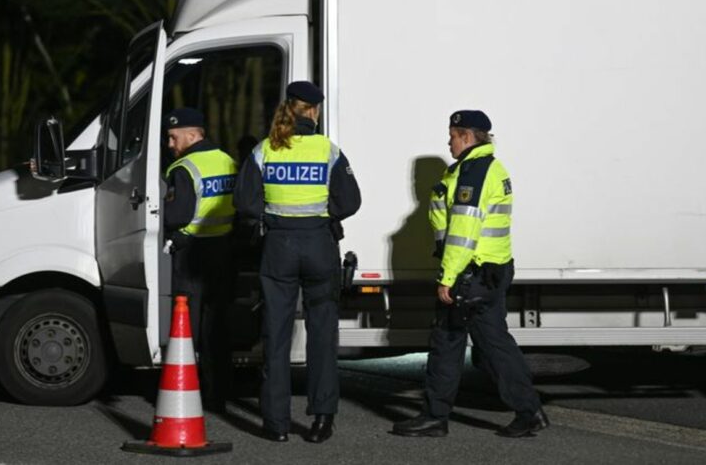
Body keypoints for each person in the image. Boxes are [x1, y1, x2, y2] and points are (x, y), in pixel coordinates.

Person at [391, 110, 548, 438]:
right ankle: (526, 410)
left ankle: (441, 415)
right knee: (482, 343)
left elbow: (463, 231)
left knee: (460, 342)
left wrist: (448, 277)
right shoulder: (480, 168)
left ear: (465, 136)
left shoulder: (474, 173)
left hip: (470, 274)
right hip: (488, 270)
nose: (448, 141)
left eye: (452, 134)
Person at [234, 81, 361, 443]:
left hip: (278, 246)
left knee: (275, 336)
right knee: (323, 334)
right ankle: (322, 420)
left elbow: (244, 201)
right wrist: (325, 214)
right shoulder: (328, 150)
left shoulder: (266, 149)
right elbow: (351, 201)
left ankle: (276, 425)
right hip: (319, 244)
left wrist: (270, 215)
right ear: (314, 111)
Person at [163, 107, 237, 412]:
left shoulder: (183, 168)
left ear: (193, 135)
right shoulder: (228, 160)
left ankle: (187, 390)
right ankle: (218, 392)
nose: (170, 144)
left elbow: (178, 214)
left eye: (173, 137)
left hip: (192, 255)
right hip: (225, 250)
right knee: (217, 326)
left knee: (187, 330)